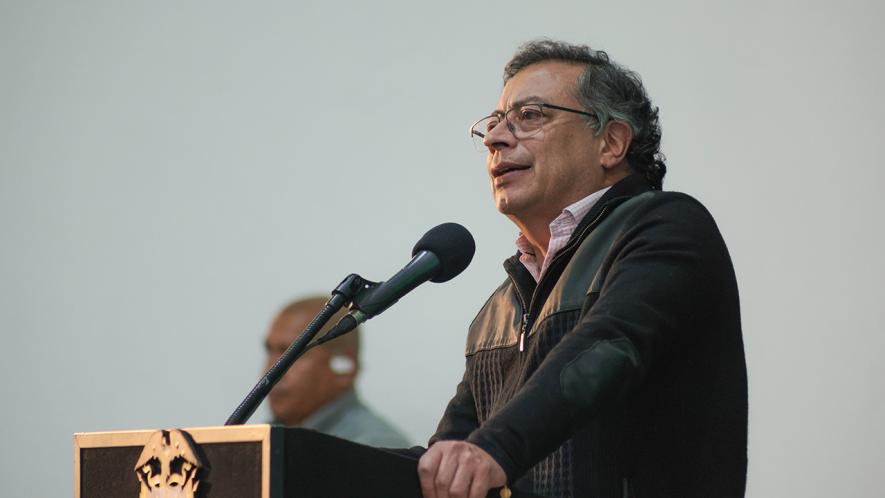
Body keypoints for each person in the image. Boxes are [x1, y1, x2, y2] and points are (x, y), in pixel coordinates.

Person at [417, 40, 747, 498]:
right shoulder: (499, 309)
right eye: (494, 124)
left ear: (611, 142)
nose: (494, 138)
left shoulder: (667, 229)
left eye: (530, 116)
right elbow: (451, 456)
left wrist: (494, 448)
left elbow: (607, 348)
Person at [264, 296, 410, 447]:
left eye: (294, 354)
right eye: (269, 351)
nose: (270, 369)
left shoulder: (375, 447)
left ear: (345, 368)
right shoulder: (259, 439)